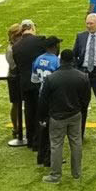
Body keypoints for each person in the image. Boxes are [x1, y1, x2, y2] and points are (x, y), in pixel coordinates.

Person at [42, 56, 92, 184]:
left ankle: (55, 175)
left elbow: (43, 99)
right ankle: (76, 173)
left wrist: (43, 116)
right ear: (72, 61)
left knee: (56, 145)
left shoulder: (51, 78)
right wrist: (81, 108)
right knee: (76, 143)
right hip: (75, 114)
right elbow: (86, 97)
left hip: (57, 116)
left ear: (61, 61)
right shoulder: (82, 76)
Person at [7, 20, 45, 147]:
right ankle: (39, 139)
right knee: (40, 111)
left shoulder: (16, 46)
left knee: (28, 111)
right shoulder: (41, 40)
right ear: (32, 28)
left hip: (24, 81)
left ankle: (30, 138)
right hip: (39, 80)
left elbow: (16, 65)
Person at [30, 36, 62, 165]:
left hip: (41, 96)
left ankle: (41, 156)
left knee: (42, 128)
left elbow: (34, 80)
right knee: (54, 131)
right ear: (54, 46)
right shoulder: (56, 61)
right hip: (53, 99)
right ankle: (50, 157)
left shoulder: (38, 59)